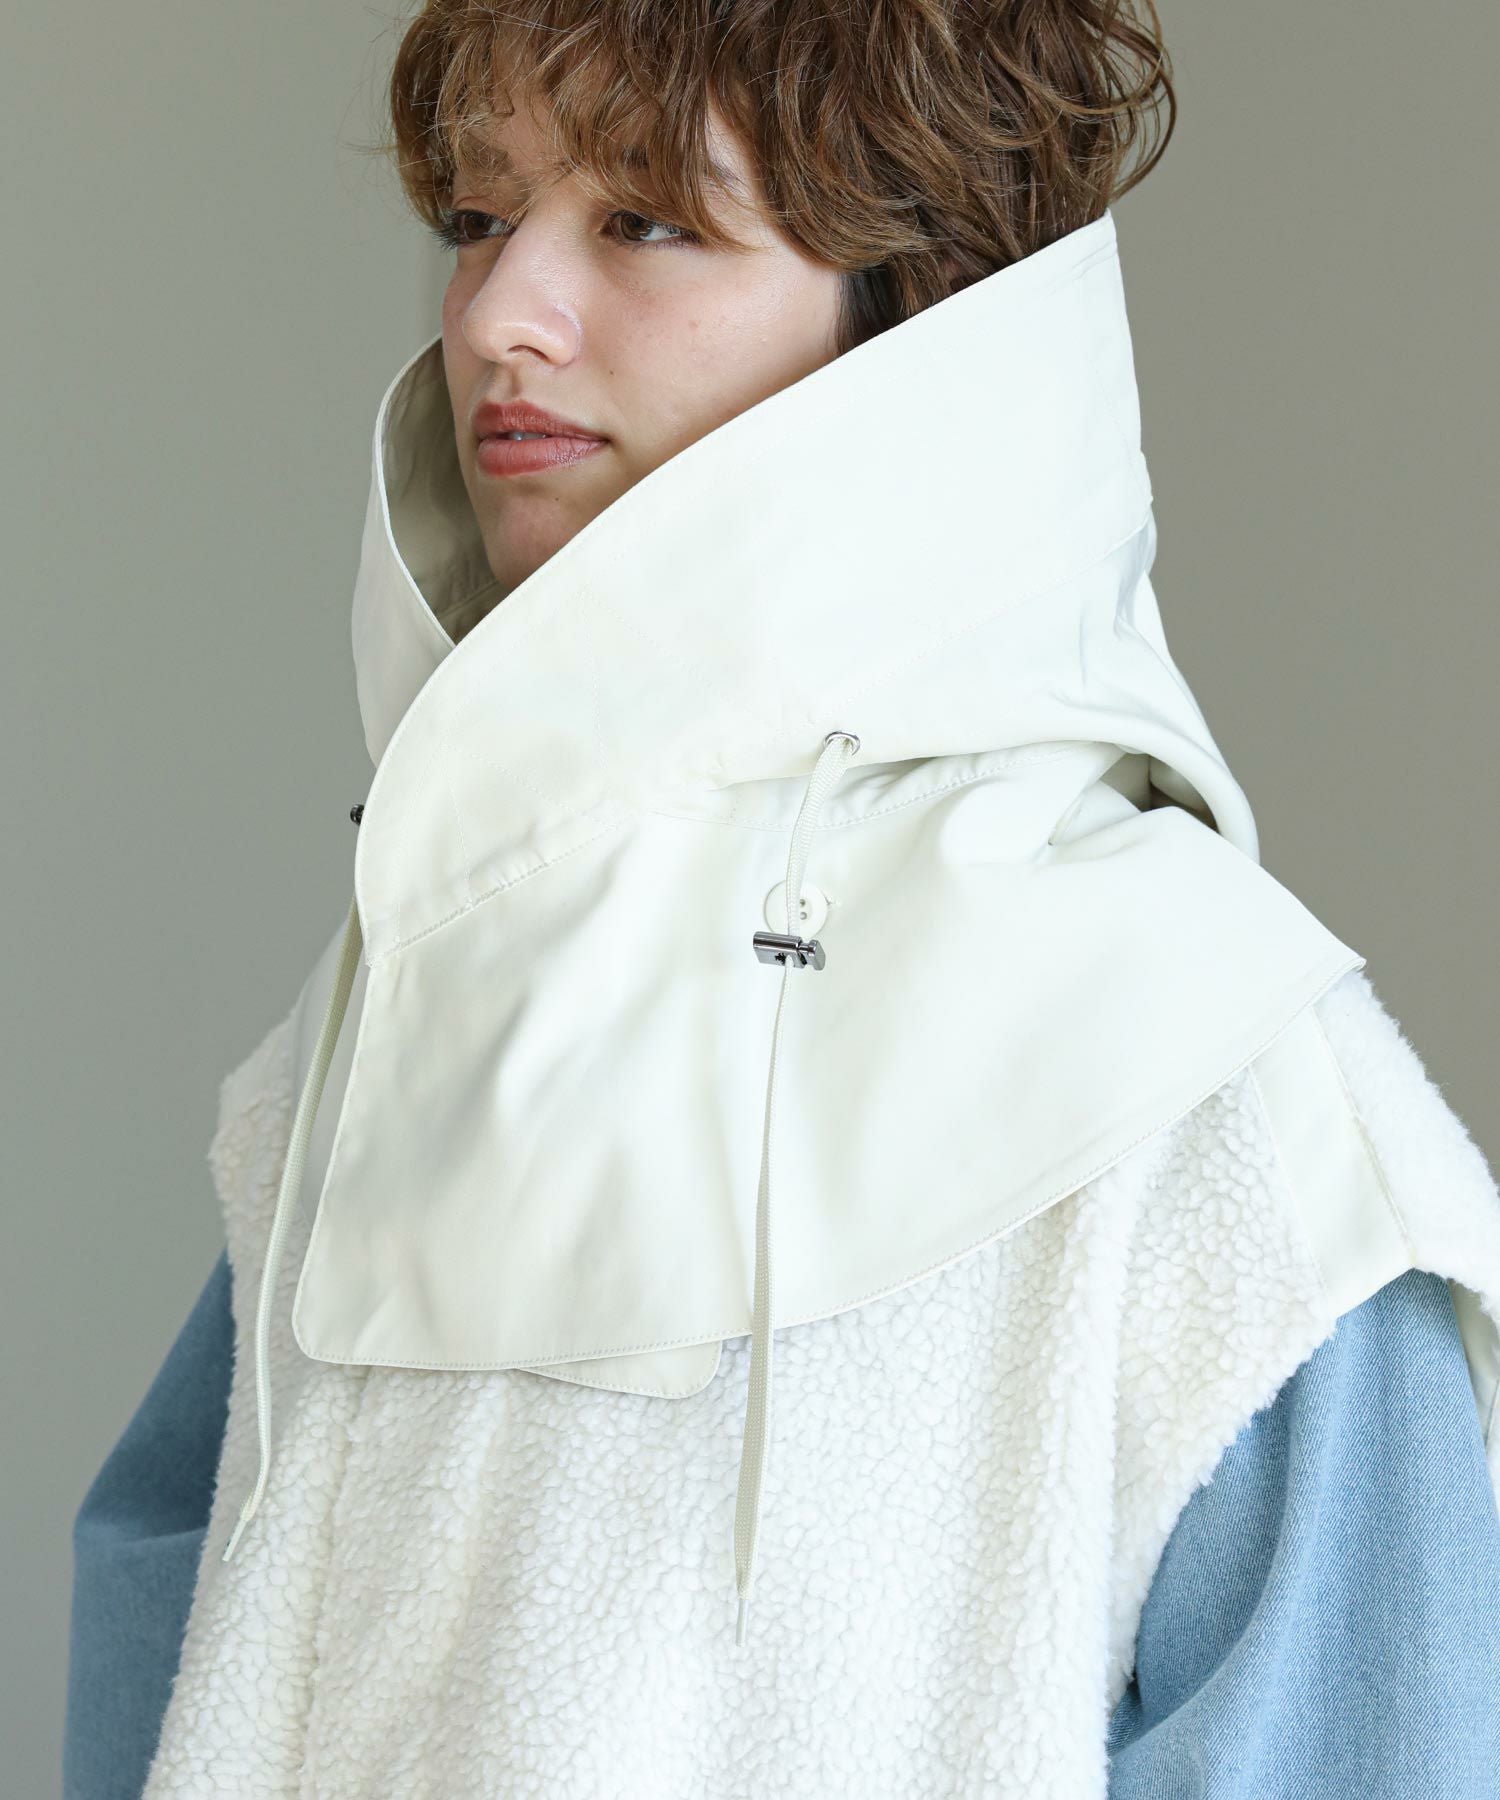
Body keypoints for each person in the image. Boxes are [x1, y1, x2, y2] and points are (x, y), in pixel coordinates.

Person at [64, 1, 1500, 1795]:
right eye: (480, 218)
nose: (499, 313)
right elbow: (166, 1670)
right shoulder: (387, 1021)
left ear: (923, 314)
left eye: (646, 217)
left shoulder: (1228, 1116)